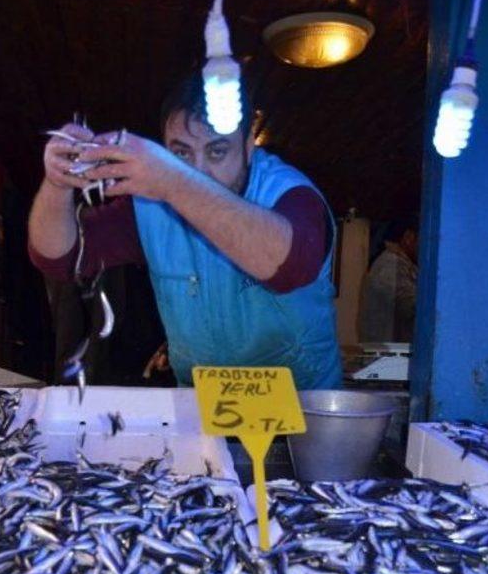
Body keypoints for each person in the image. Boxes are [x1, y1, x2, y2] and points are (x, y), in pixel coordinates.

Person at [28, 72, 342, 389]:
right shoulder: (151, 205)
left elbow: (290, 267)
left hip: (303, 414)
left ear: (249, 147)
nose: (199, 171)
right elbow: (62, 258)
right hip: (203, 409)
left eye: (217, 151)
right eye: (181, 153)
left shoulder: (292, 194)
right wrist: (57, 184)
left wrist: (173, 179)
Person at [358, 218, 419, 343]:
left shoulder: (401, 264)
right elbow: (410, 305)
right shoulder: (390, 264)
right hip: (388, 356)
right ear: (408, 237)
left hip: (391, 354)